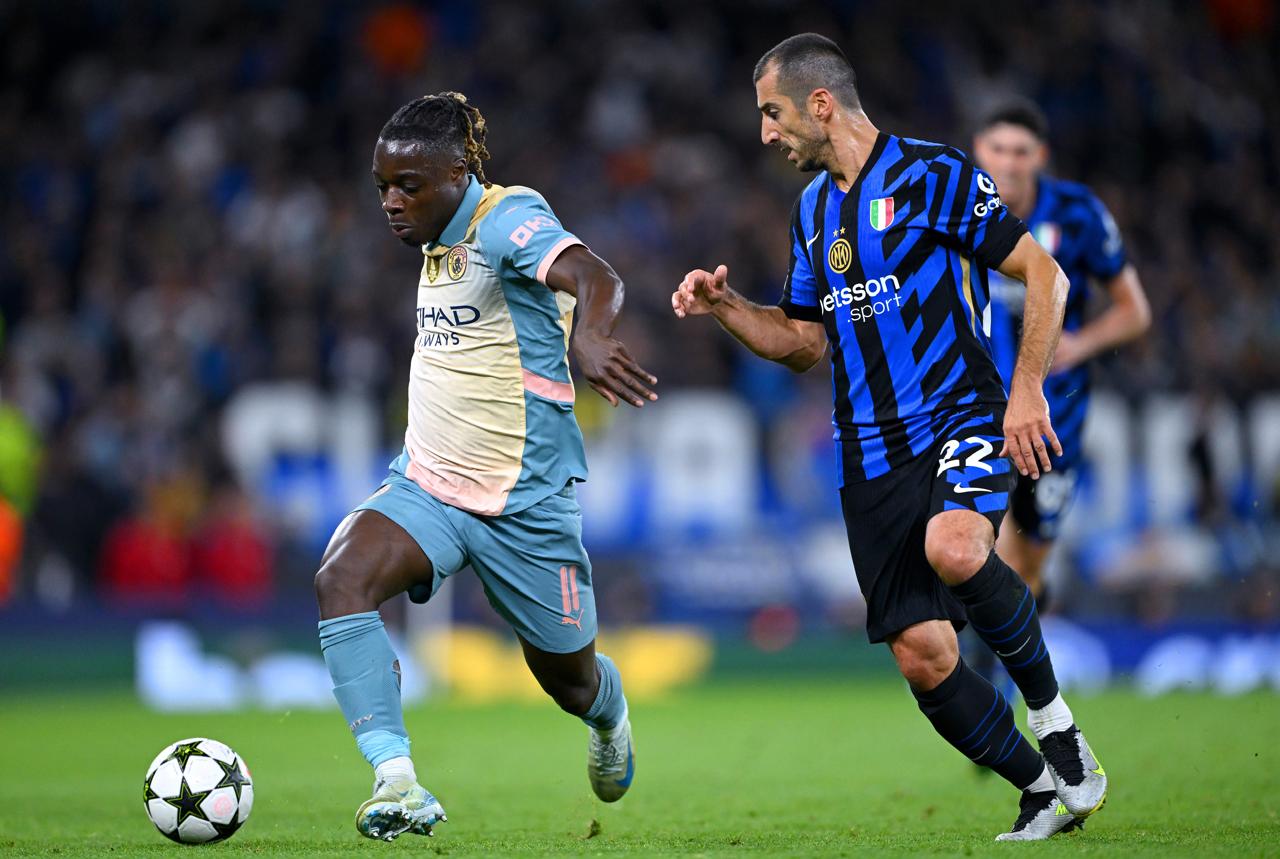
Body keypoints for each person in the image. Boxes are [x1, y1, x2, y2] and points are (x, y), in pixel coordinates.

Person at [672, 34, 1106, 841]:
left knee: (958, 547)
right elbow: (804, 341)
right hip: (869, 453)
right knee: (923, 656)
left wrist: (1026, 393)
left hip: (962, 415)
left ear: (821, 104)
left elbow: (1044, 275)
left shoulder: (932, 175)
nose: (766, 133)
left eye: (773, 113)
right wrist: (728, 309)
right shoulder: (813, 211)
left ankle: (1058, 726)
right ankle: (1041, 788)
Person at [315, 92, 655, 842]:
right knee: (343, 574)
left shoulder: (505, 218)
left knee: (569, 680)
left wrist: (589, 337)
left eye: (409, 185)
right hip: (428, 482)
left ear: (458, 171)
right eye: (382, 187)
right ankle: (396, 780)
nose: (392, 202)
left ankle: (609, 712)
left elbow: (597, 275)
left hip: (524, 501)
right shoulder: (437, 238)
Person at [974, 99, 1150, 608]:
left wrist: (1081, 343)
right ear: (979, 152)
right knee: (979, 548)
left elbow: (1134, 311)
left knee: (1027, 567)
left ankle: (1014, 649)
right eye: (998, 149)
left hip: (1055, 417)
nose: (1008, 162)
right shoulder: (956, 211)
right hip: (975, 407)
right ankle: (977, 679)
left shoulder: (1076, 214)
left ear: (1040, 156)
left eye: (1021, 151)